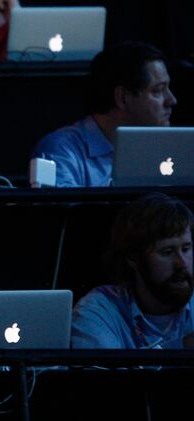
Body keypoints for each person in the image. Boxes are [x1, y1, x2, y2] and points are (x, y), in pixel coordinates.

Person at [32, 41, 177, 187]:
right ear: (122, 98)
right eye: (158, 90)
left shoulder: (163, 149)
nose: (172, 100)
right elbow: (61, 210)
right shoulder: (61, 150)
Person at [71, 193, 194, 349]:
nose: (181, 263)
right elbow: (99, 373)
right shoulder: (99, 310)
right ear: (133, 258)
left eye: (186, 249)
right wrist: (182, 347)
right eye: (167, 252)